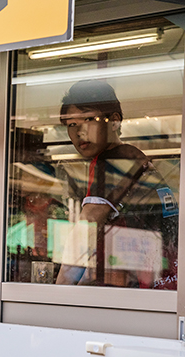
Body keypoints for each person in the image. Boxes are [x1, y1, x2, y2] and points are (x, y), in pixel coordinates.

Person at [55, 80, 178, 289]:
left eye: (88, 119)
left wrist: (57, 290)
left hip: (149, 290)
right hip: (164, 286)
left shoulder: (113, 161)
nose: (79, 132)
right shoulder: (133, 158)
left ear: (114, 121)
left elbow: (86, 231)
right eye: (71, 125)